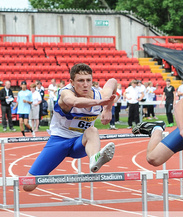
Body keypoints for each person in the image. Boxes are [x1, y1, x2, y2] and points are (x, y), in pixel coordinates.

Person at [23, 63, 117, 192]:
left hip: (81, 142)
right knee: (28, 185)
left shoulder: (100, 94)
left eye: (88, 80)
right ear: (72, 82)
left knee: (92, 130)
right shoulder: (66, 93)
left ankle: (95, 158)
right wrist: (99, 103)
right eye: (80, 81)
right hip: (59, 141)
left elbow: (113, 82)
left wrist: (108, 109)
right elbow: (73, 102)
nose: (85, 84)